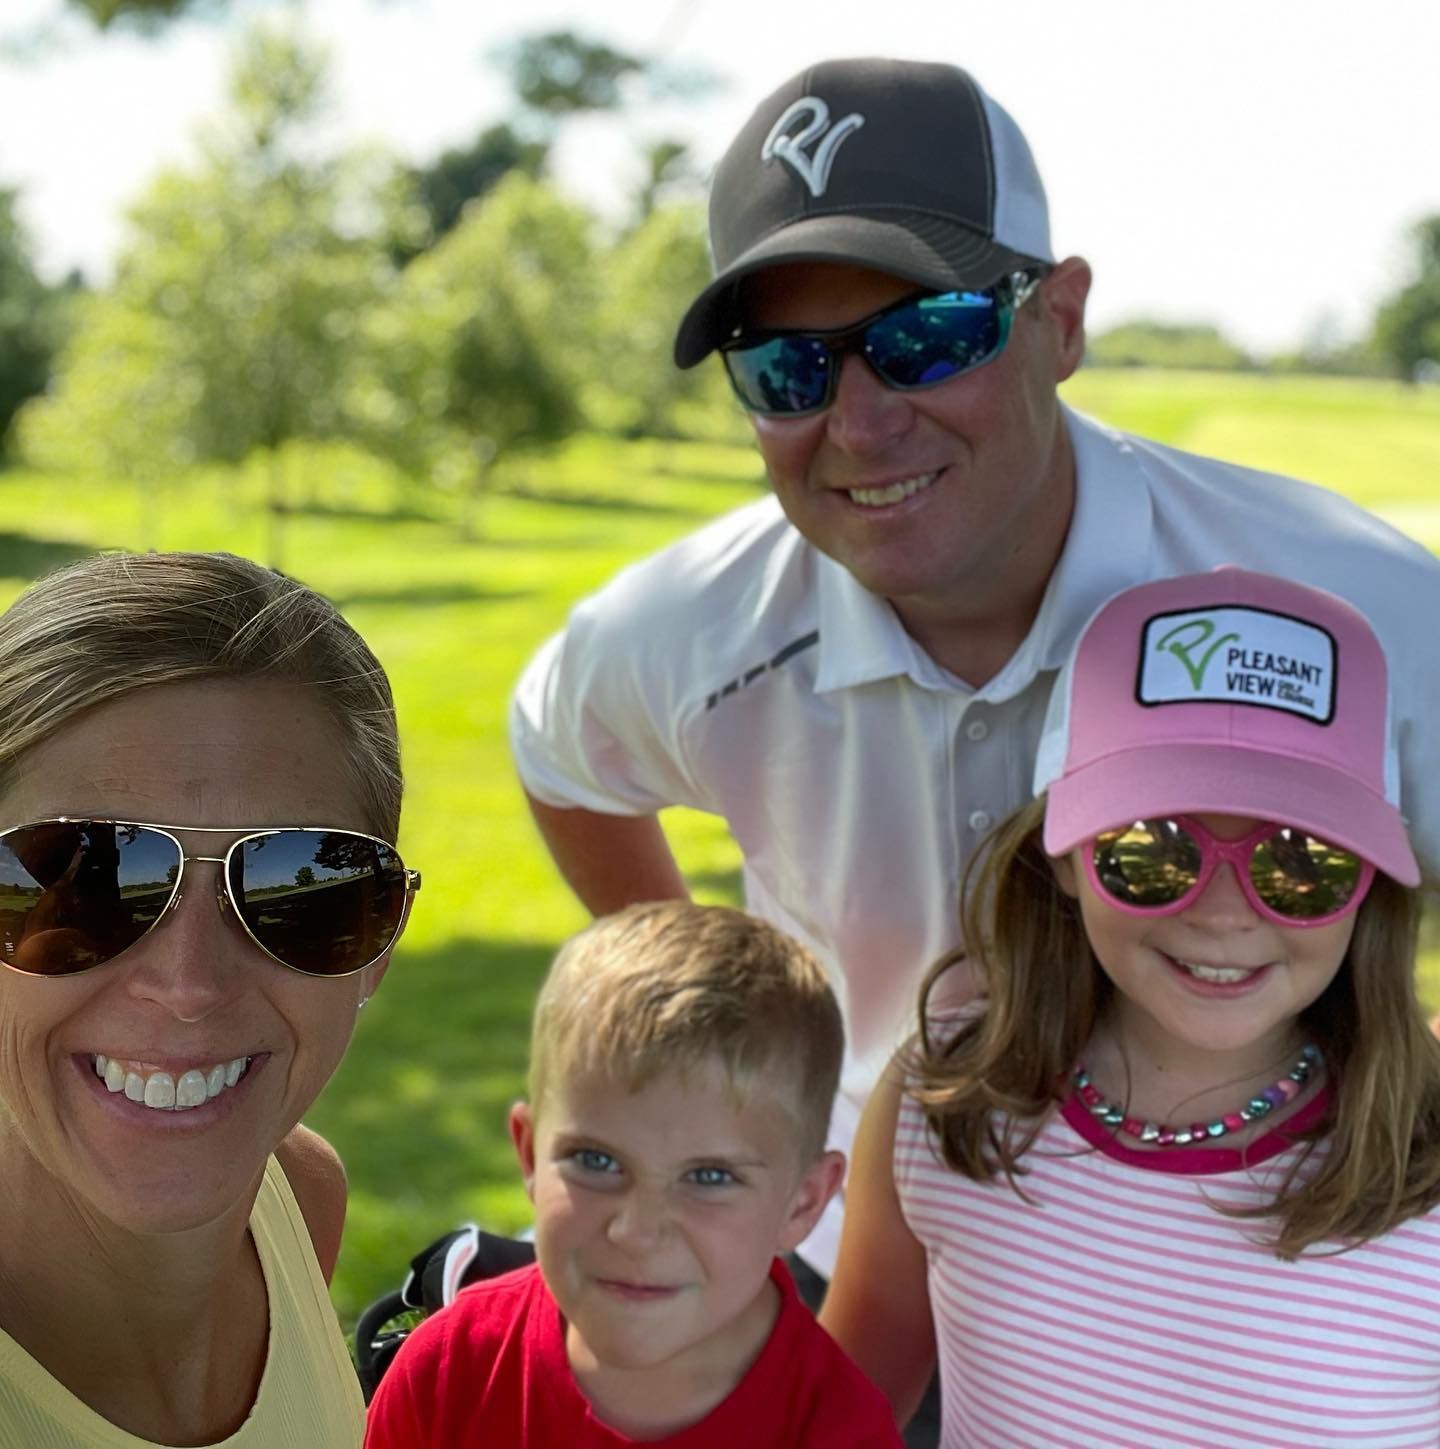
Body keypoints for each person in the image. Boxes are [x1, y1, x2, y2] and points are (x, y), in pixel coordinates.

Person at [509, 55, 1440, 1285]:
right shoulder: (699, 624)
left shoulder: (1345, 611)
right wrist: (730, 1033)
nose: (861, 420)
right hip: (839, 1265)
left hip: (1240, 1298)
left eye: (928, 337)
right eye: (788, 368)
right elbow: (559, 753)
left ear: (1058, 321)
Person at [820, 567, 1440, 1448]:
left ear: (1369, 882)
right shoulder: (945, 1101)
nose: (1224, 913)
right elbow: (842, 1417)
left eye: (1302, 861)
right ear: (1064, 856)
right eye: (1152, 851)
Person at [0, 551, 420, 1448]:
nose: (188, 985)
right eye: (82, 881)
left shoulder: (298, 1200)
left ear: (381, 941)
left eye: (297, 892)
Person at [363, 901, 903, 1448]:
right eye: (597, 1161)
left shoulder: (842, 1430)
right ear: (529, 1155)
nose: (637, 1231)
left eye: (709, 1177)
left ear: (803, 1203)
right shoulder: (448, 1371)